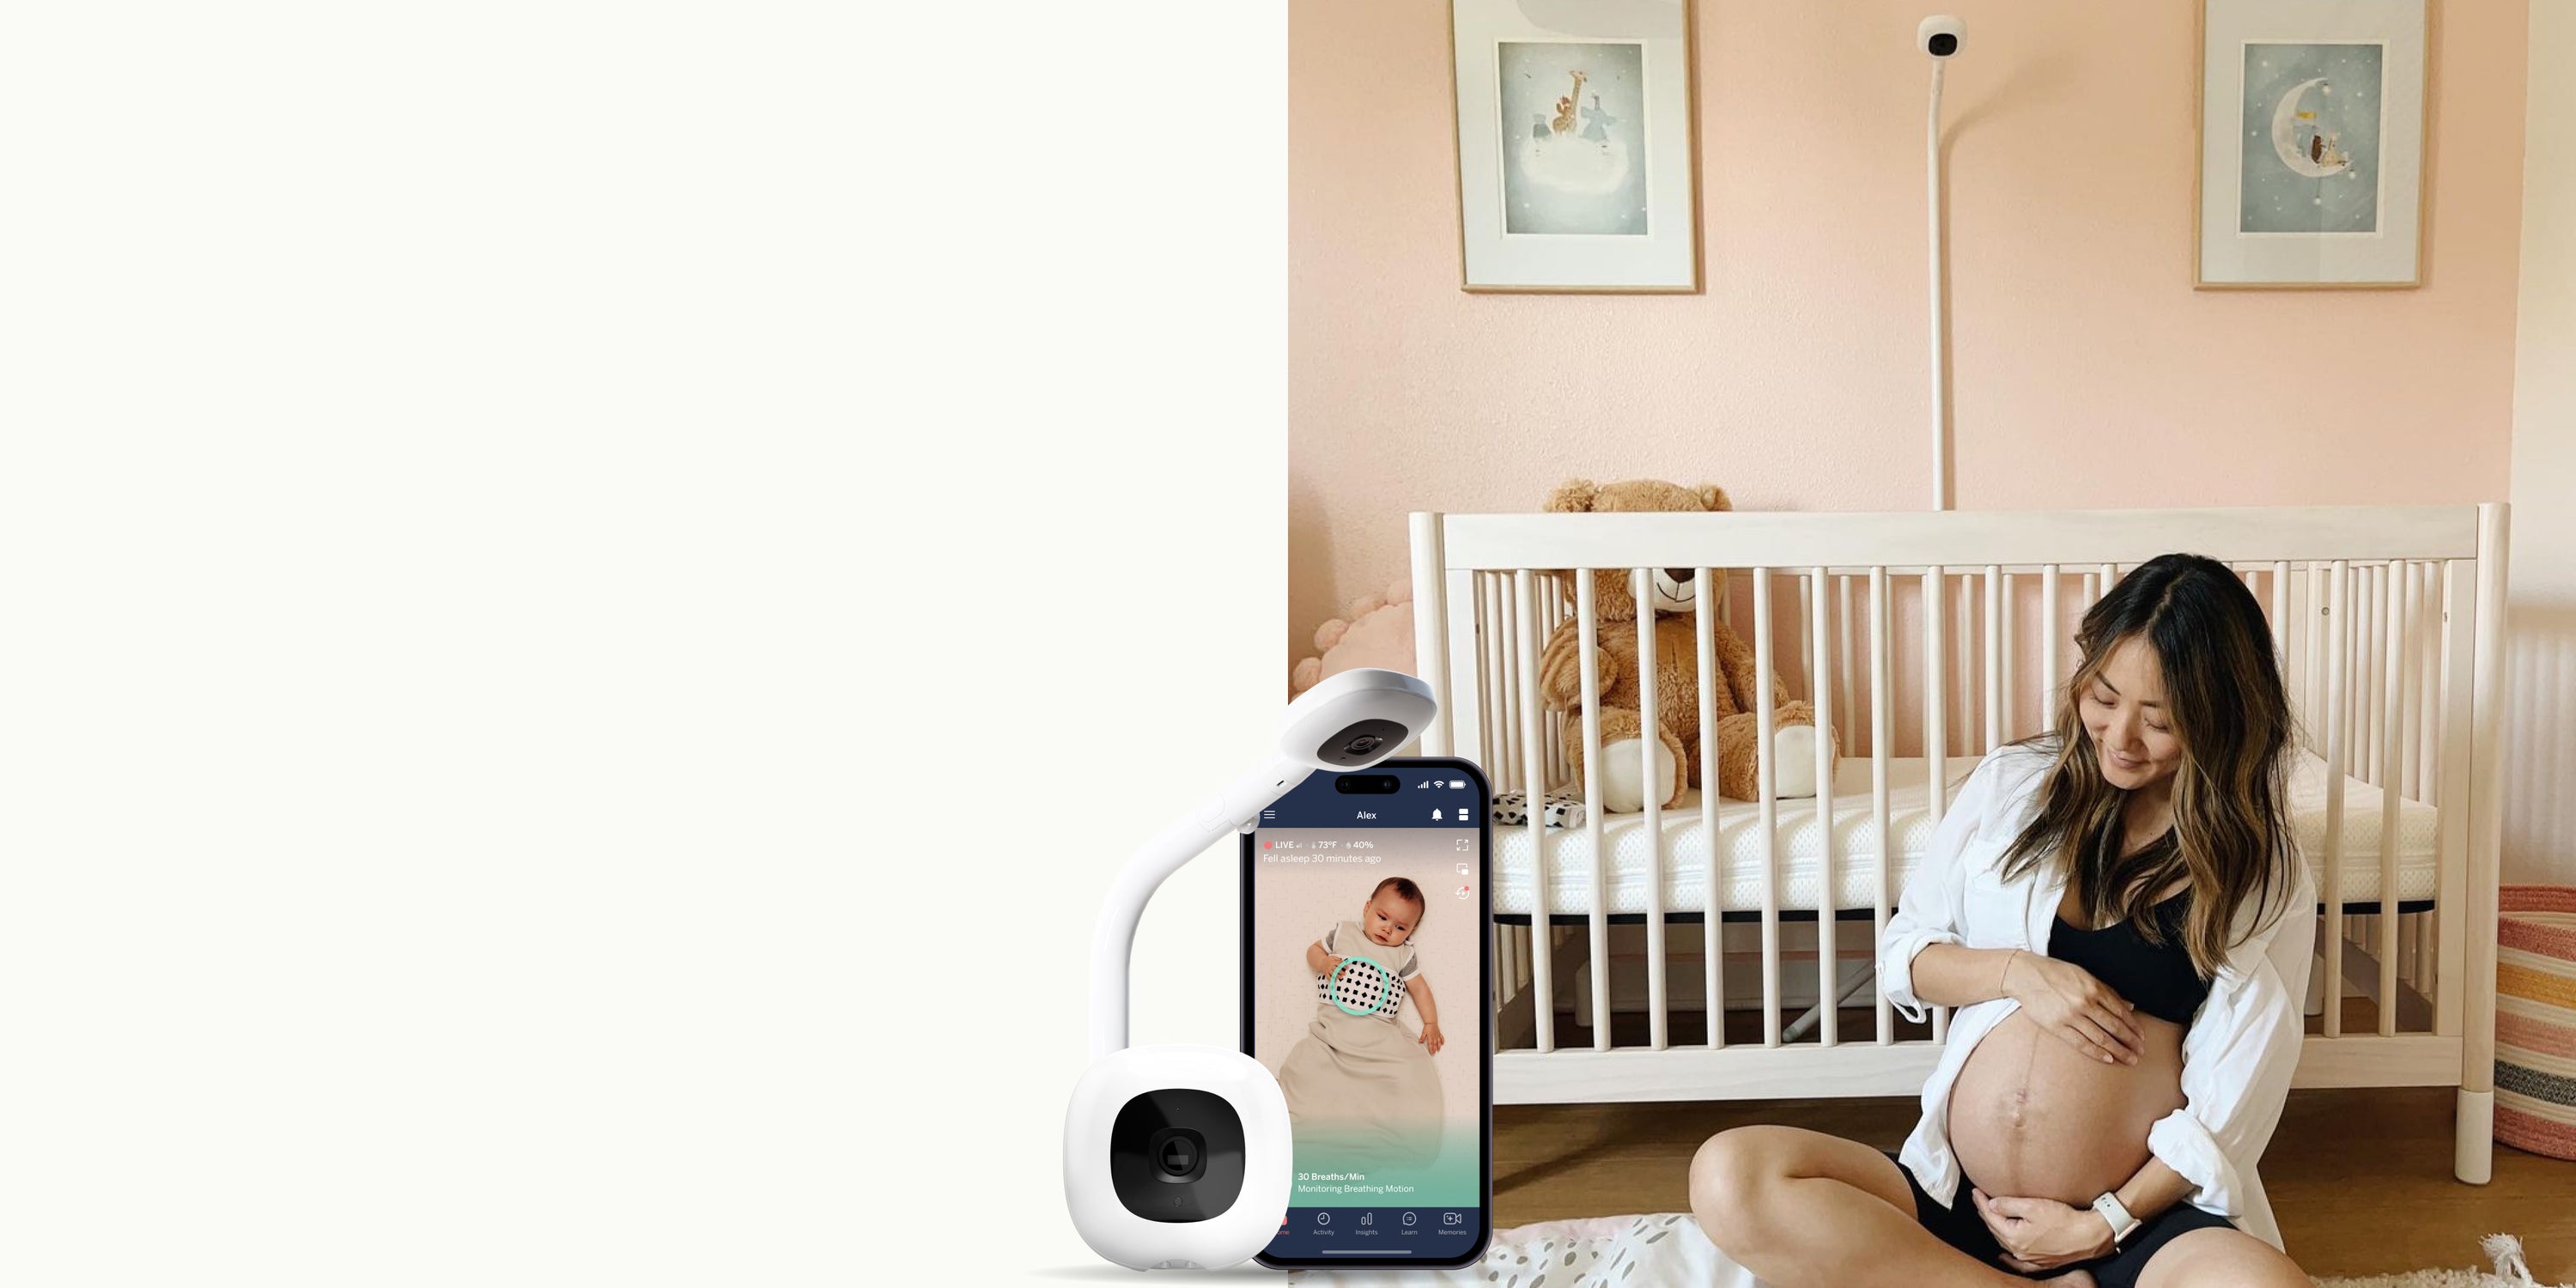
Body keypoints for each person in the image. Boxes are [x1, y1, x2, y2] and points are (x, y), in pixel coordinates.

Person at [1689, 553, 2318, 1288]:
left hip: (2132, 1226)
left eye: (2160, 721)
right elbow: (1906, 956)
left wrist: (2101, 1222)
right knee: (1731, 1174)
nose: (2119, 737)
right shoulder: (2014, 786)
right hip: (1962, 1201)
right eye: (2105, 697)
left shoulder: (2256, 871)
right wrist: (2020, 974)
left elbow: (2234, 1096)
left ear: (2219, 722)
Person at [1275, 877, 1447, 1170]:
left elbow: (1419, 988)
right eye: (1382, 917)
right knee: (1308, 1070)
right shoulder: (1344, 933)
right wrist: (1323, 963)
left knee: (1405, 1071)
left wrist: (1431, 1022)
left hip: (1377, 1035)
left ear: (1411, 930)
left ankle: (1392, 1134)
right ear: (1367, 908)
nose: (1388, 929)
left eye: (1400, 927)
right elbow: (1313, 950)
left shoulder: (1403, 954)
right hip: (1331, 1033)